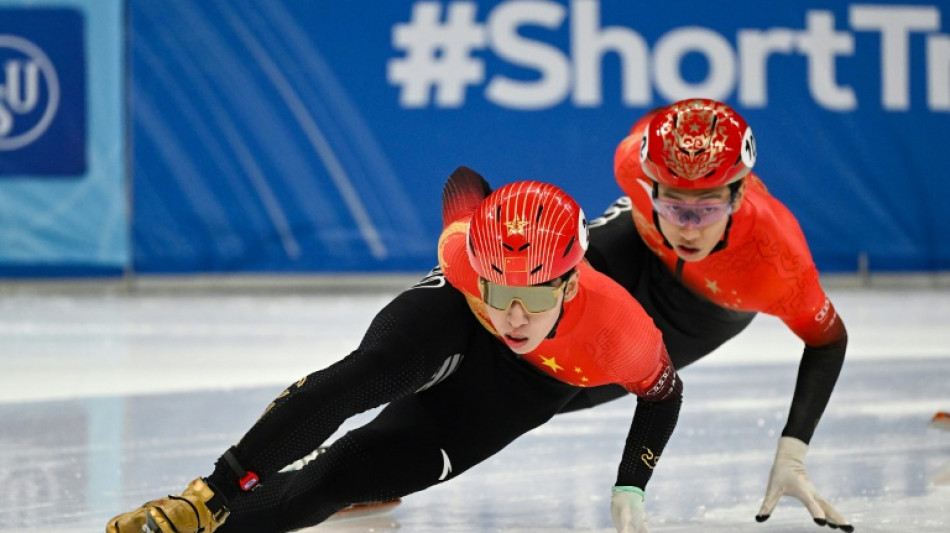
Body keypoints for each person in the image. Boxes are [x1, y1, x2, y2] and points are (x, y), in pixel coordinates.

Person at [105, 167, 683, 533]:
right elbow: (461, 183)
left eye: (533, 297)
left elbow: (664, 394)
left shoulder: (620, 331)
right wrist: (217, 493)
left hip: (523, 389)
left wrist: (632, 479)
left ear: (570, 283)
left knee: (341, 479)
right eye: (501, 290)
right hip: (455, 315)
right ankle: (204, 501)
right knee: (371, 374)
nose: (512, 315)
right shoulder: (463, 259)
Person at [566, 98, 852, 531]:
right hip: (639, 246)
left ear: (739, 193)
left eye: (709, 207)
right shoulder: (632, 165)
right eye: (675, 204)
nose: (690, 227)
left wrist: (792, 454)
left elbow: (829, 340)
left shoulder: (777, 262)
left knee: (555, 389)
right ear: (652, 185)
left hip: (702, 314)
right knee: (535, 297)